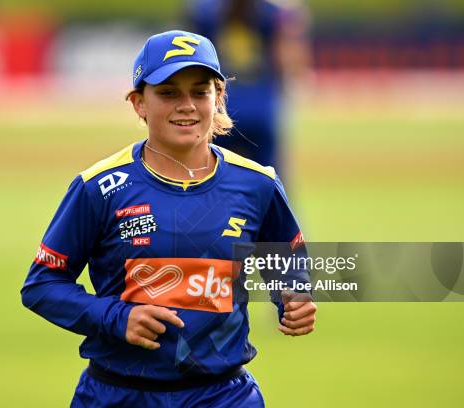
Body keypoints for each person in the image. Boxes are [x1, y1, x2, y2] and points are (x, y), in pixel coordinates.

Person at [21, 29, 316, 408]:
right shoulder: (99, 187)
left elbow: (286, 256)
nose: (187, 105)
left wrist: (292, 295)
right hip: (117, 394)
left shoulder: (258, 183)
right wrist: (115, 317)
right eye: (168, 92)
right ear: (138, 103)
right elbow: (42, 285)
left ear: (219, 97)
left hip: (224, 396)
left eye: (200, 91)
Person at [187, 0, 312, 178]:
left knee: (213, 182)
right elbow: (284, 58)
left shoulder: (205, 11)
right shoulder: (270, 12)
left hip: (220, 110)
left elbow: (194, 59)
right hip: (261, 107)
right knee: (270, 182)